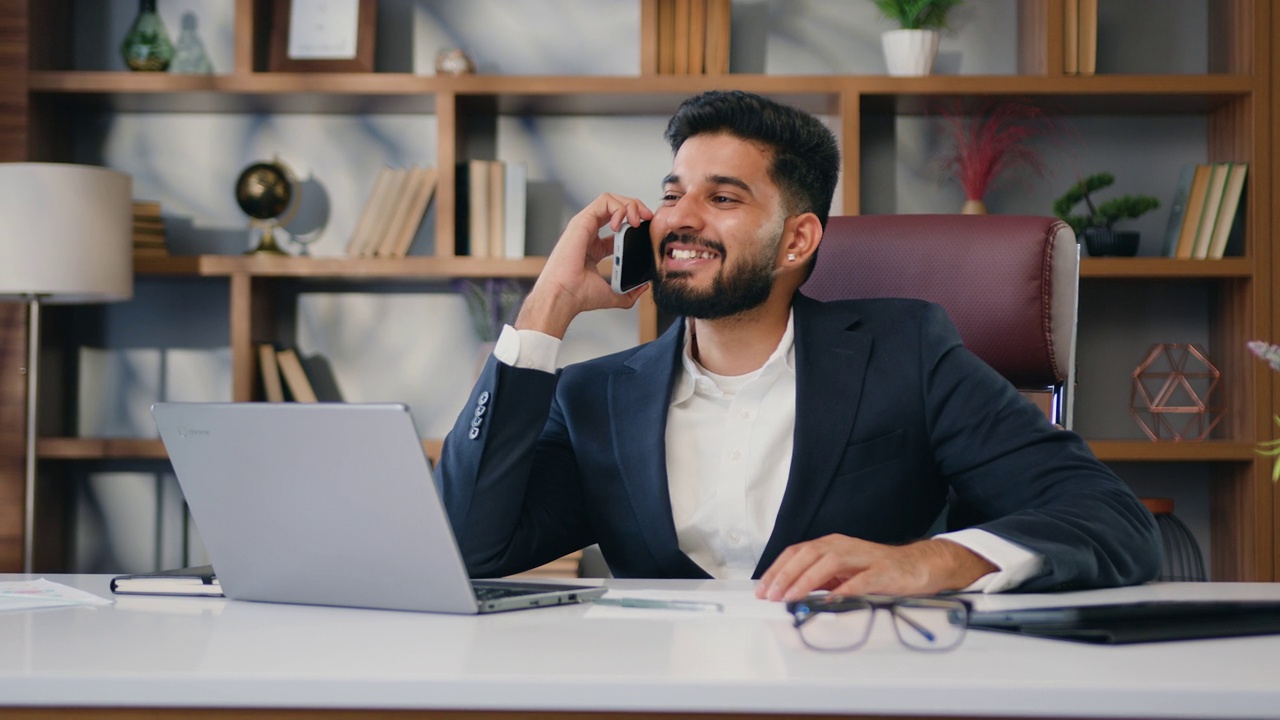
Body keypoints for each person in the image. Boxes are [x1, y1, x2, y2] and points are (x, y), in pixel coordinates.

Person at [438, 90, 1161, 601]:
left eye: (722, 199)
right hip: (660, 694)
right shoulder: (594, 395)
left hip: (854, 686)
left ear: (797, 239)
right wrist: (548, 308)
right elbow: (470, 548)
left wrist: (933, 562)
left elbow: (1113, 523)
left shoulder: (906, 351)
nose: (678, 221)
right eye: (670, 194)